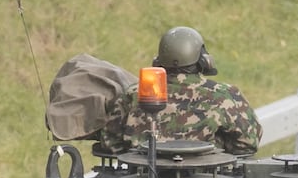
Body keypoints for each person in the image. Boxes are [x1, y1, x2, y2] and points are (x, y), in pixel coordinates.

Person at [98, 26, 262, 156]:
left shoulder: (135, 94)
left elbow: (110, 142)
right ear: (204, 60)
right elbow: (248, 143)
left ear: (158, 60)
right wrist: (218, 151)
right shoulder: (224, 95)